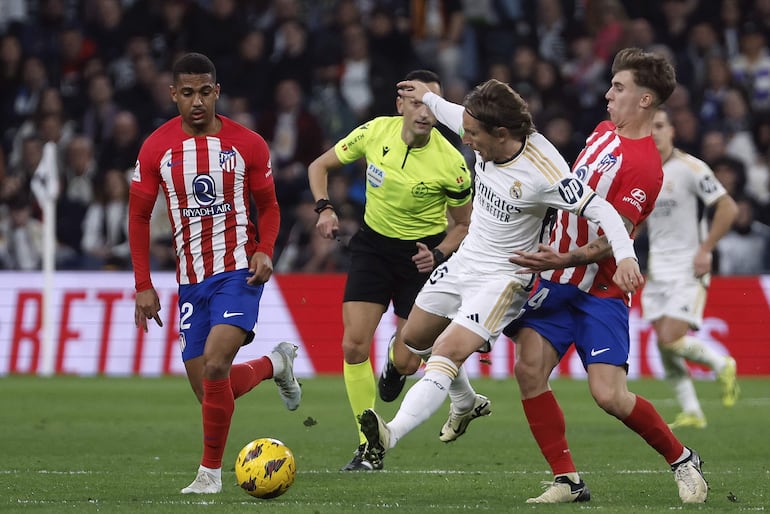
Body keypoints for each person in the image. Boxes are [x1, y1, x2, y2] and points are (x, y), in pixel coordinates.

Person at [358, 78, 644, 481]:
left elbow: (605, 213)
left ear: (502, 134)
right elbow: (446, 111)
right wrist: (424, 95)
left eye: (473, 135)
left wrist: (627, 255)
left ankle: (389, 435)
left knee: (446, 350)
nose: (467, 140)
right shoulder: (479, 126)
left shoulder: (546, 173)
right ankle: (466, 402)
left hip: (505, 278)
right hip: (466, 260)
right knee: (414, 339)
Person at [503, 48, 708, 505]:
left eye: (619, 87)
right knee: (529, 369)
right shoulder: (599, 134)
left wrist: (559, 259)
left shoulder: (645, 167)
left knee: (609, 396)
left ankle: (682, 458)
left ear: (645, 101)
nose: (607, 94)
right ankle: (568, 480)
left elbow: (616, 237)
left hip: (601, 289)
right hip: (558, 282)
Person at [128, 52, 301, 495]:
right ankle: (275, 364)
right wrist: (143, 285)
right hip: (191, 281)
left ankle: (209, 476)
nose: (197, 101)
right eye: (187, 93)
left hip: (237, 272)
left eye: (205, 91)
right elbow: (139, 218)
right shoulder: (155, 148)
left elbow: (269, 205)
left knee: (218, 364)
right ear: (173, 95)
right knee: (210, 391)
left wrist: (264, 250)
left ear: (217, 91)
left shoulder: (248, 145)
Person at [308, 69, 474, 471]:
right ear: (400, 105)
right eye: (416, 102)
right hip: (373, 248)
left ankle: (394, 364)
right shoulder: (373, 133)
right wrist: (324, 208)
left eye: (432, 104)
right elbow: (319, 166)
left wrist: (437, 253)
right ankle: (368, 445)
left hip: (420, 257)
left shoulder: (451, 164)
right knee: (352, 345)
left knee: (407, 362)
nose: (423, 112)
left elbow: (465, 225)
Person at [644, 106, 740, 429]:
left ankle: (720, 362)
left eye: (660, 125)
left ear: (672, 130)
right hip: (657, 270)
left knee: (671, 338)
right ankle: (692, 411)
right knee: (662, 342)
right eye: (649, 126)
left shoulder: (691, 168)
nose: (654, 132)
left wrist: (706, 249)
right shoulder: (644, 172)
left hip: (689, 266)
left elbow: (728, 207)